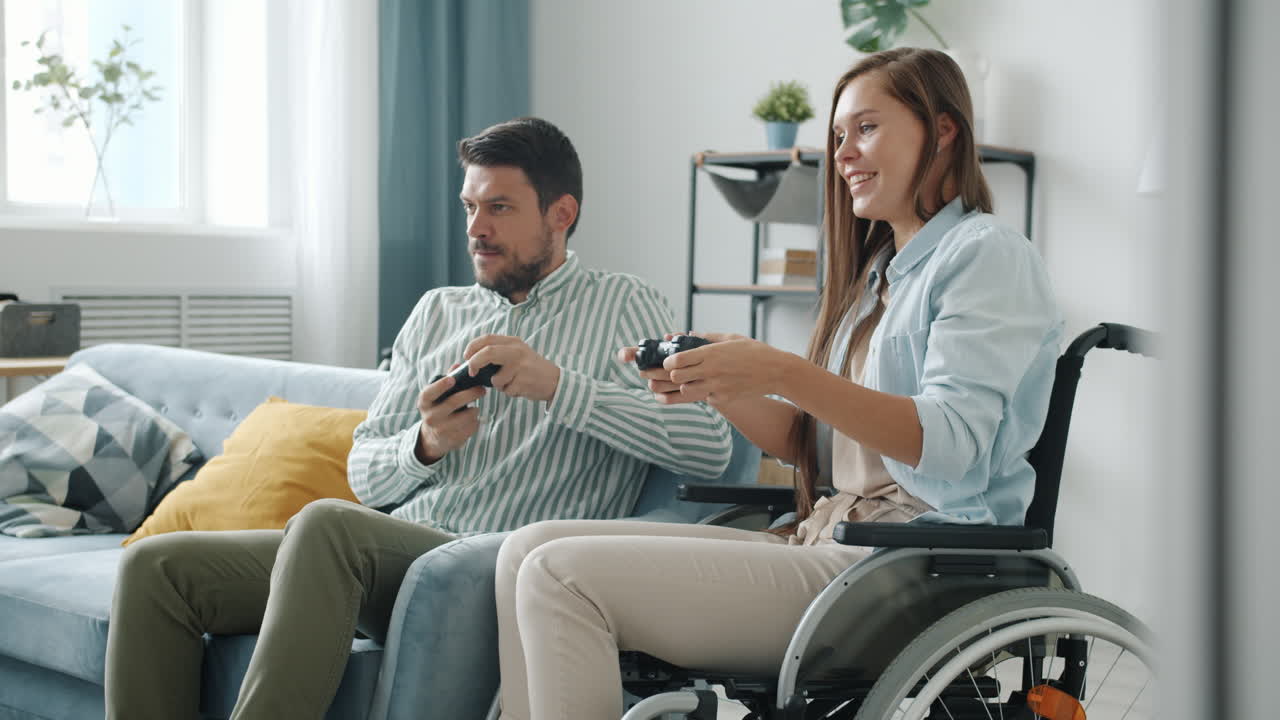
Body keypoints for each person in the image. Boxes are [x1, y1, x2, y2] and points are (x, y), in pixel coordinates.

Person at [494, 48, 1064, 720]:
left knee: (562, 577)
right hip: (837, 541)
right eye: (839, 135)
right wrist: (724, 386)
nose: (844, 153)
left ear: (944, 131)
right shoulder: (880, 277)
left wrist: (781, 370)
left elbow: (954, 447)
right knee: (525, 550)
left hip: (910, 568)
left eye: (867, 128)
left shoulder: (985, 254)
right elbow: (822, 450)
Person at [103, 117, 732, 720]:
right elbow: (366, 475)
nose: (476, 228)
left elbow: (709, 446)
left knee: (327, 527)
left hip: (489, 565)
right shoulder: (436, 312)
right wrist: (425, 444)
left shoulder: (627, 303)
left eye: (500, 208)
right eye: (470, 207)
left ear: (560, 214)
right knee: (156, 570)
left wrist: (559, 387)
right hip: (389, 556)